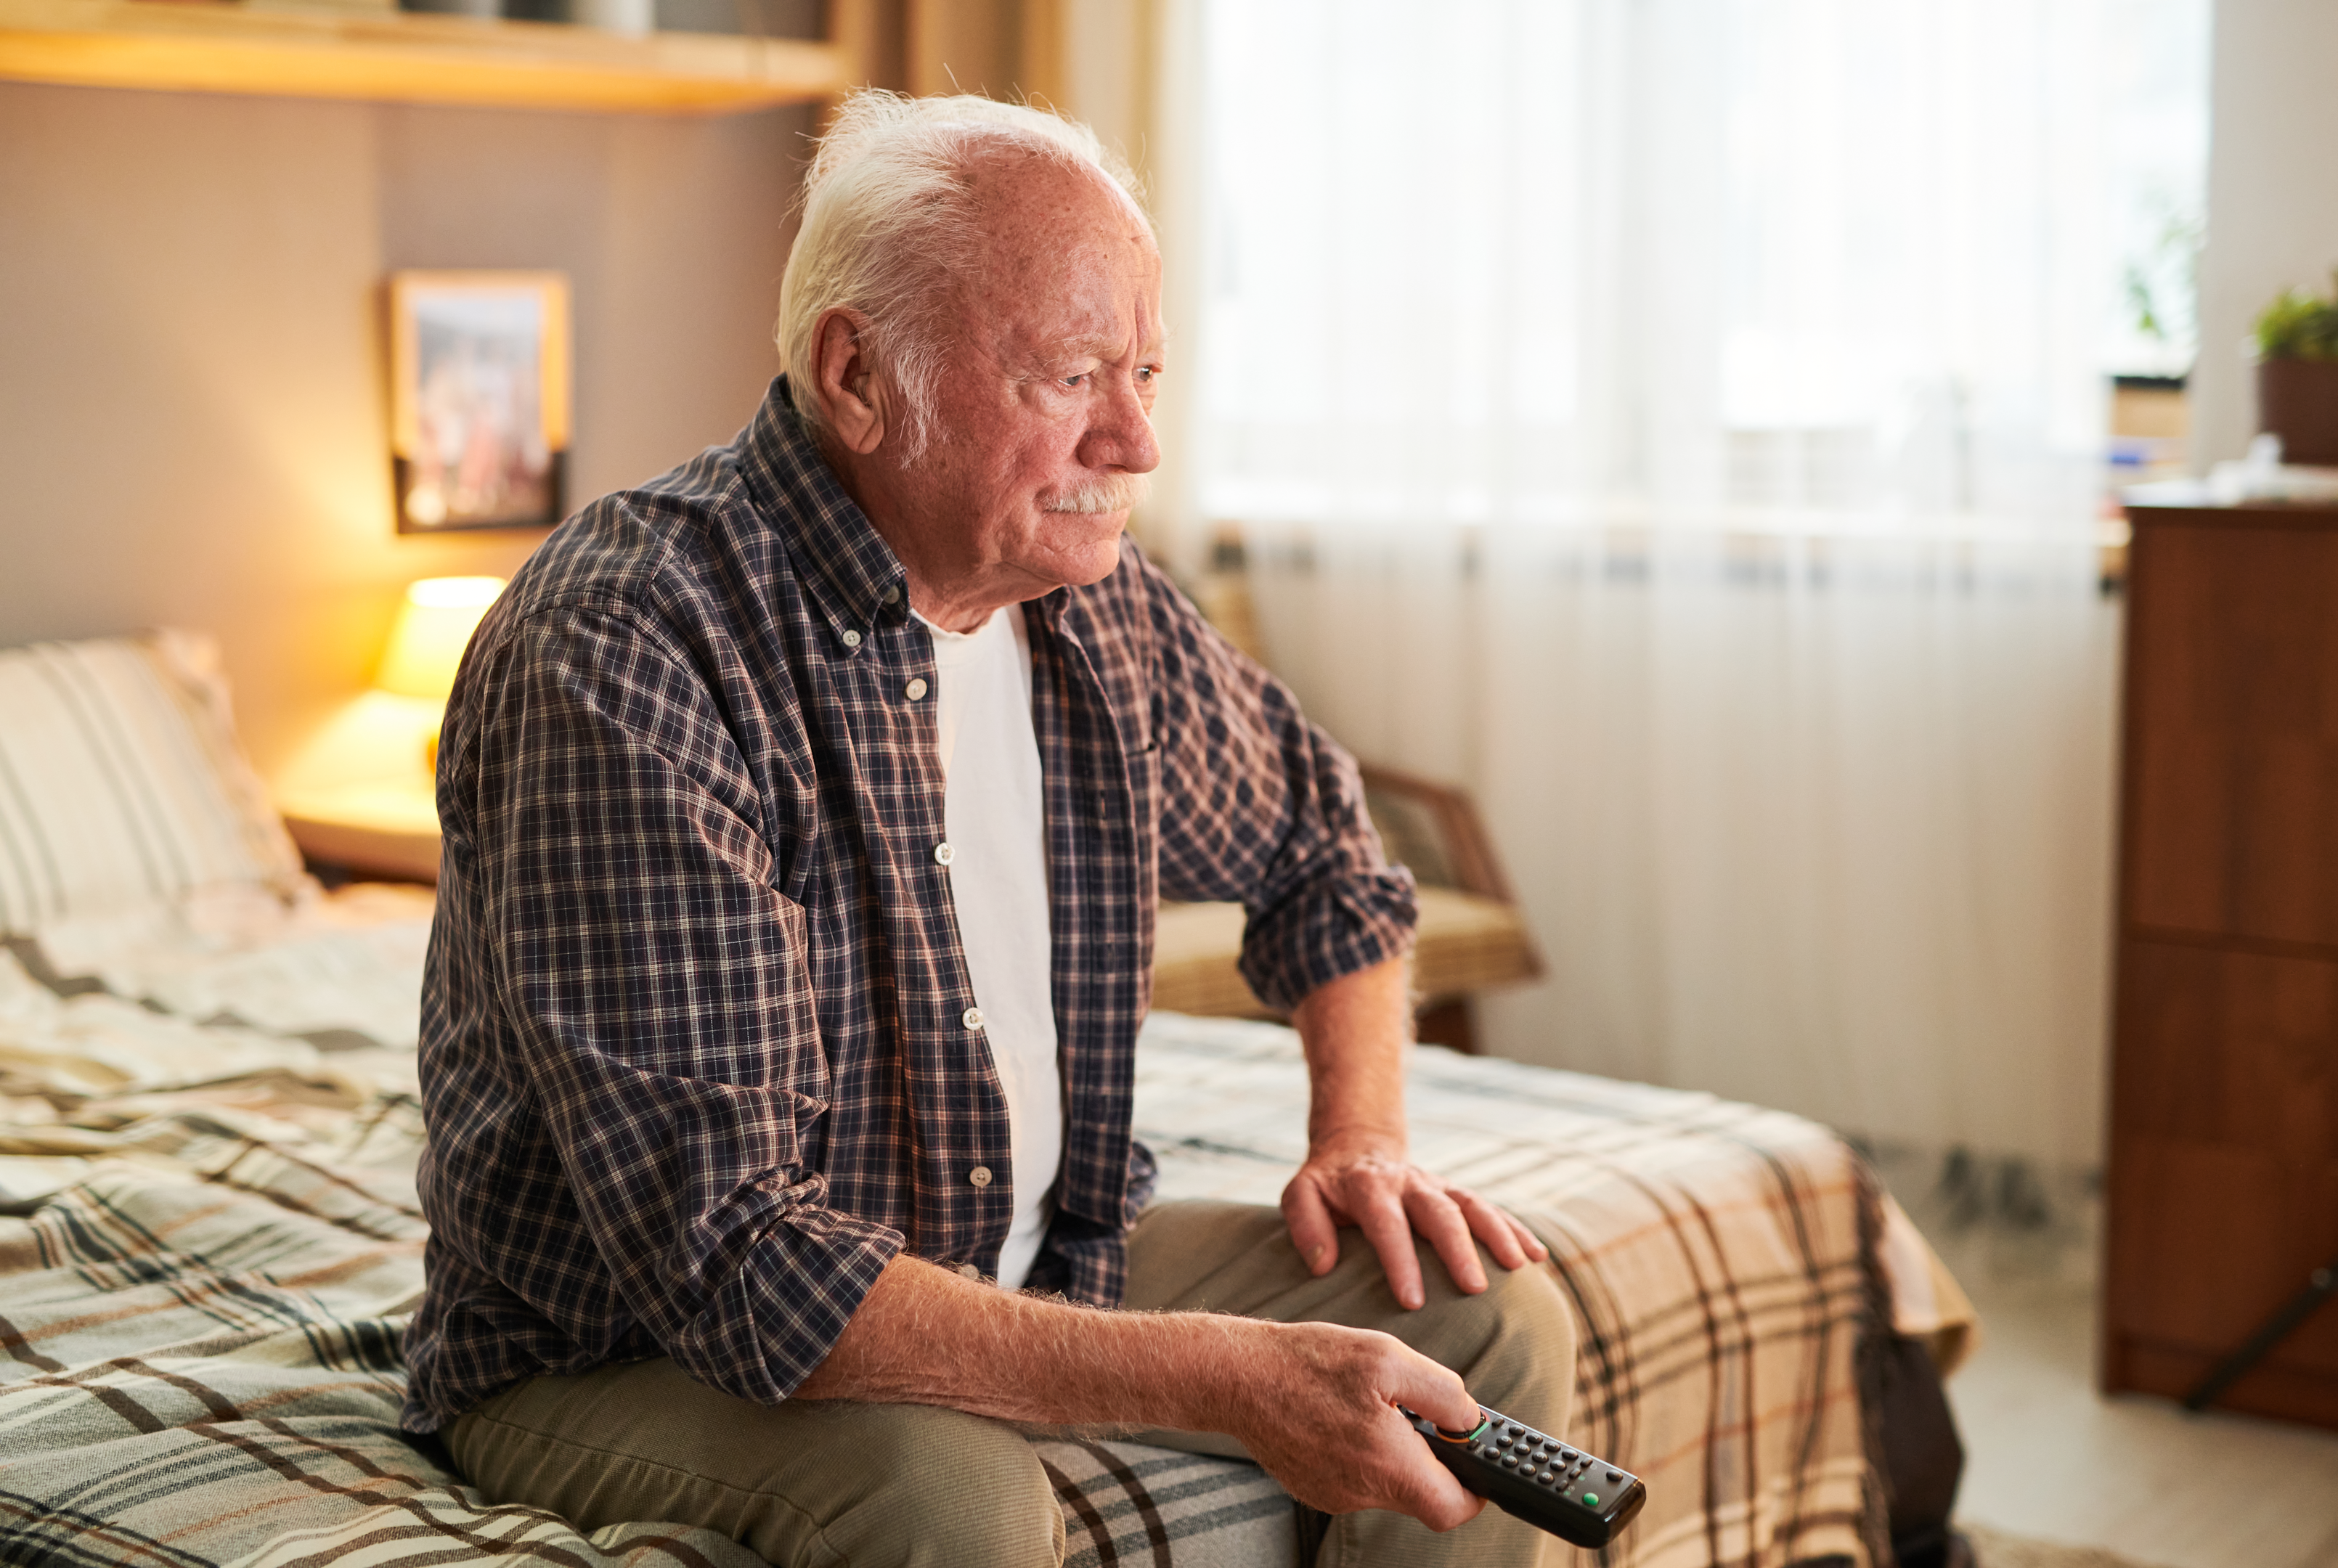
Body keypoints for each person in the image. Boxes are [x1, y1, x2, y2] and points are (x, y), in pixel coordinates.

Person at [403, 90, 1576, 1568]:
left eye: (1146, 369)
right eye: (1072, 374)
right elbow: (740, 1268)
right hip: (621, 1351)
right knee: (950, 1500)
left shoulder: (1095, 605)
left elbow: (1327, 860)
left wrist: (1364, 1141)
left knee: (1482, 1325)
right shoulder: (629, 649)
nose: (1137, 440)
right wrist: (1230, 1379)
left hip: (1031, 1259)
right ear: (858, 375)